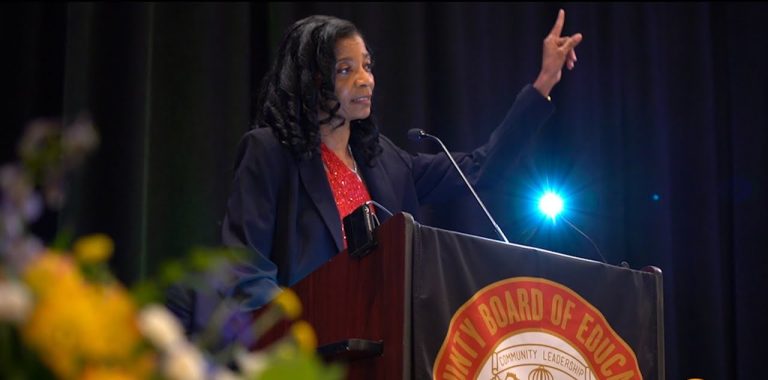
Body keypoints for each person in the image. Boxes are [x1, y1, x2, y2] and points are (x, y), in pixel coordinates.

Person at [220, 11, 581, 314]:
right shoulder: (269, 153)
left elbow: (477, 169)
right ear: (309, 80)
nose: (365, 80)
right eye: (345, 69)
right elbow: (246, 270)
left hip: (386, 349)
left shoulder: (386, 161)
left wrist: (543, 83)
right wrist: (293, 335)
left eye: (366, 65)